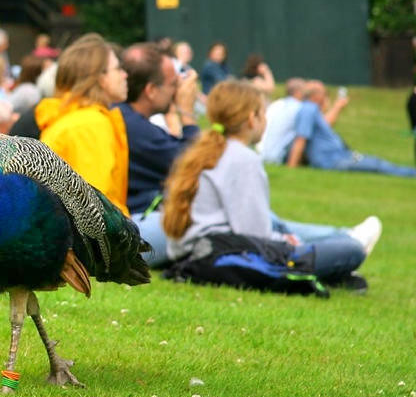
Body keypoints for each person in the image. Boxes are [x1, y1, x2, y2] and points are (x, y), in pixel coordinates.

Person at [162, 79, 371, 287]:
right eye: (263, 113)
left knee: (301, 240)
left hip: (192, 254)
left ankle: (336, 273)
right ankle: (340, 258)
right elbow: (256, 236)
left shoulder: (199, 151)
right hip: (223, 255)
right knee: (350, 250)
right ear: (252, 118)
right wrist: (288, 242)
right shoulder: (242, 158)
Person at [115, 42, 201, 266]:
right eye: (173, 84)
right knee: (205, 223)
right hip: (135, 227)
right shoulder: (131, 125)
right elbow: (195, 162)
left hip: (136, 222)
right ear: (151, 90)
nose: (177, 91)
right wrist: (187, 113)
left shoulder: (128, 119)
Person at [35, 34, 130, 214]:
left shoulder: (77, 120)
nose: (125, 75)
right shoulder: (89, 126)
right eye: (118, 69)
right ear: (100, 78)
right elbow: (98, 212)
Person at [286, 80, 416, 177]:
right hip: (333, 161)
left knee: (376, 162)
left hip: (341, 157)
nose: (326, 96)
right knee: (377, 165)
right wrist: (291, 169)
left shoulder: (310, 110)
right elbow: (300, 139)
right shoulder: (308, 109)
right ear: (316, 96)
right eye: (324, 93)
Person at [259, 77, 306, 164]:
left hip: (262, 154)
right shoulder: (300, 108)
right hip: (279, 157)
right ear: (298, 92)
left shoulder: (276, 104)